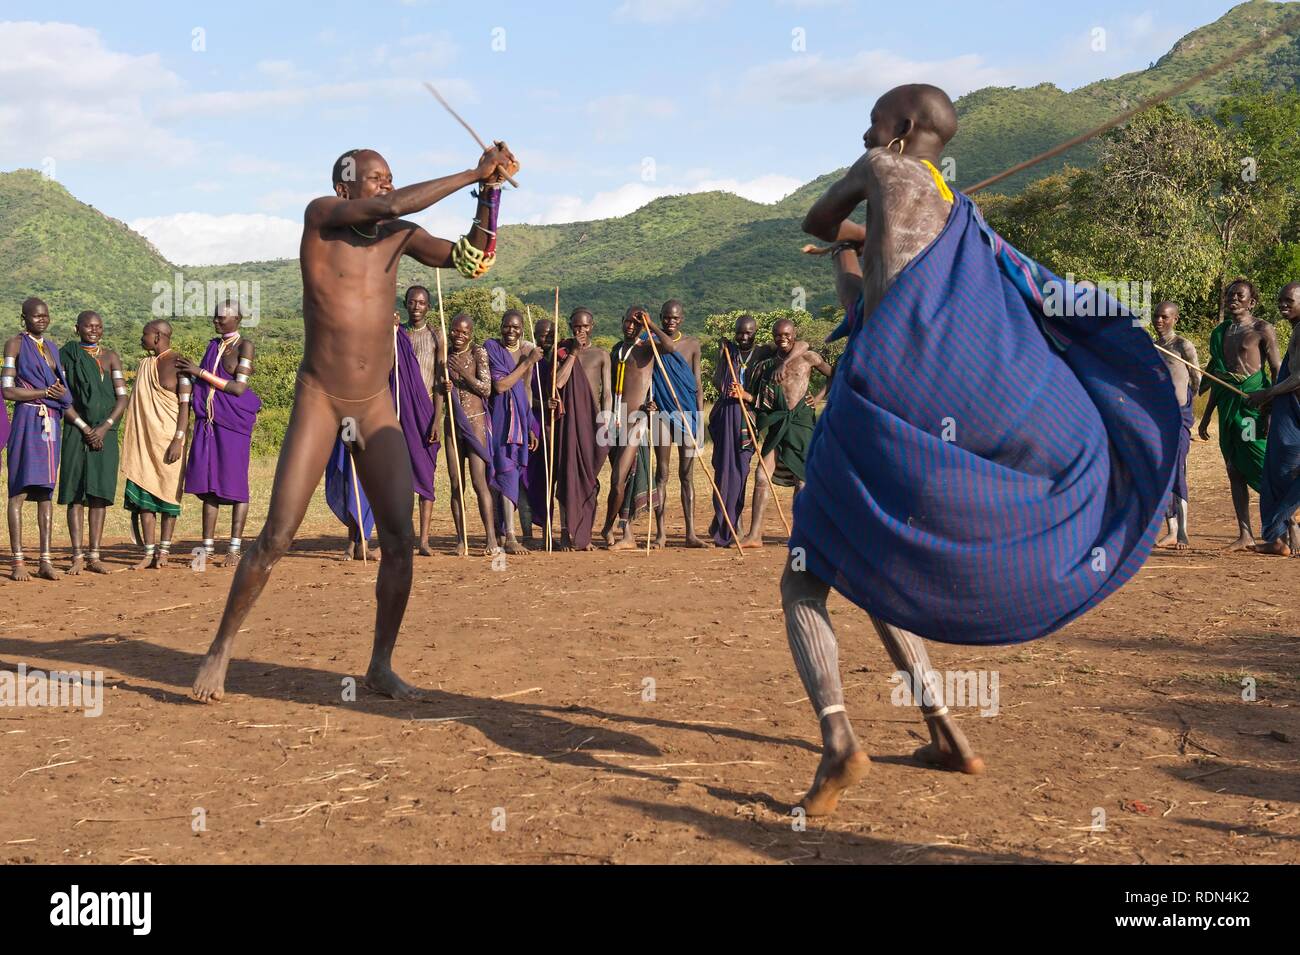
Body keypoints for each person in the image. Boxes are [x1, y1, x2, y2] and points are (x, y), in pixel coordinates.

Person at [781, 83, 1179, 815]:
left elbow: (816, 219)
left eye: (873, 122)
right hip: (946, 394)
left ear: (901, 128)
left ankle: (838, 741)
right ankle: (947, 731)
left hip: (891, 394)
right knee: (875, 555)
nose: (864, 133)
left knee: (803, 581)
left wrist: (845, 230)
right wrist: (854, 249)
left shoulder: (883, 167)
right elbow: (871, 296)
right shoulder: (960, 219)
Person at [191, 142, 518, 703]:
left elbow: (472, 260)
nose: (385, 185)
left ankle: (380, 665)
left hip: (373, 403)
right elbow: (386, 207)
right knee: (277, 535)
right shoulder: (322, 217)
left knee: (399, 538)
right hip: (320, 399)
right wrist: (471, 171)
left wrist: (489, 194)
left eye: (389, 176)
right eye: (375, 178)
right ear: (345, 188)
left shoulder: (399, 235)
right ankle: (220, 648)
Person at [1198, 279, 1281, 550]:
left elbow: (1276, 370)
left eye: (1239, 295)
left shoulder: (1262, 329)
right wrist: (1207, 416)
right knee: (1233, 468)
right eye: (1230, 295)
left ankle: (1287, 527)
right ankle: (1245, 534)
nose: (1233, 299)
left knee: (1259, 464)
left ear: (1251, 302)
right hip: (1228, 408)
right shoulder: (1220, 332)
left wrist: (1271, 408)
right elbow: (1218, 377)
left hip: (1252, 408)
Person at [177, 300, 261, 567]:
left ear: (237, 319)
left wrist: (199, 372)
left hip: (234, 423)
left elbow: (238, 388)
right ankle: (206, 548)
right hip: (209, 424)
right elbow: (201, 382)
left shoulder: (245, 346)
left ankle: (234, 549)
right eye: (214, 317)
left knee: (237, 486)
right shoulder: (213, 346)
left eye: (221, 318)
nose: (216, 321)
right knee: (209, 486)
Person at [737, 320, 828, 547]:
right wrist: (744, 395)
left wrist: (818, 398)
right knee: (761, 475)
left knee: (802, 480)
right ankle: (755, 535)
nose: (782, 338)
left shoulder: (808, 357)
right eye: (778, 335)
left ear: (794, 334)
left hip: (801, 422)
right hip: (778, 423)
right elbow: (761, 398)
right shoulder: (768, 362)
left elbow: (834, 374)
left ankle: (800, 534)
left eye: (787, 334)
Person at [3, 297, 74, 581]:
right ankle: (18, 561)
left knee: (46, 492)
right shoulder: (15, 345)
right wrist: (44, 393)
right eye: (36, 316)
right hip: (27, 420)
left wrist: (60, 397)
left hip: (51, 423)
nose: (42, 319)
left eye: (45, 315)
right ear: (24, 318)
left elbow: (62, 390)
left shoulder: (52, 348)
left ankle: (45, 561)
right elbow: (8, 390)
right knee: (19, 490)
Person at [58, 310, 128, 574]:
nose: (94, 330)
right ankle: (77, 555)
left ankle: (94, 555)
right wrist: (85, 427)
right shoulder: (66, 355)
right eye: (88, 326)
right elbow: (62, 397)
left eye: (98, 326)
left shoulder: (111, 357)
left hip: (105, 433)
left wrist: (104, 427)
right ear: (77, 329)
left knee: (99, 493)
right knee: (75, 493)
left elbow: (122, 398)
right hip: (76, 431)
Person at [120, 320, 191, 570]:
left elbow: (185, 405)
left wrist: (178, 439)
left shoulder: (180, 363)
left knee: (168, 496)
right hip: (144, 441)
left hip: (170, 440)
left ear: (158, 336)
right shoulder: (145, 365)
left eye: (145, 334)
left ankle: (164, 552)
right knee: (144, 496)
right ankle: (149, 553)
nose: (142, 338)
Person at [549, 308, 611, 550]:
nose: (580, 330)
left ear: (592, 326)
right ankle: (566, 531)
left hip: (593, 424)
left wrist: (606, 422)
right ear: (570, 326)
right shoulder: (562, 352)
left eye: (585, 326)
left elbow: (606, 393)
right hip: (568, 424)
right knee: (567, 477)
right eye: (576, 326)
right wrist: (573, 354)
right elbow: (558, 382)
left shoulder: (601, 355)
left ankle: (584, 535)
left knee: (589, 479)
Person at [440, 312, 499, 555]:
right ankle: (461, 539)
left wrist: (463, 374)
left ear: (471, 334)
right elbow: (438, 390)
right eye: (455, 330)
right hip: (452, 424)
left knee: (478, 482)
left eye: (464, 332)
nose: (459, 336)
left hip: (475, 424)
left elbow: (486, 389)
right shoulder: (444, 356)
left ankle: (491, 539)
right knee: (456, 483)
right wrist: (444, 386)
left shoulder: (478, 353)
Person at [1248, 282, 1300, 555]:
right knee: (1279, 472)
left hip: (1293, 415)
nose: (1283, 305)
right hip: (1288, 410)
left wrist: (1267, 393)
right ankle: (1282, 538)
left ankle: (1282, 533)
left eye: (1289, 300)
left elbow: (1298, 377)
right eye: (1280, 300)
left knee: (1281, 474)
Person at [650, 300, 707, 547]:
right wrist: (649, 401)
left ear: (681, 319)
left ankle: (691, 534)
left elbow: (698, 384)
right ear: (660, 317)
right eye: (666, 317)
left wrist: (699, 419)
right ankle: (661, 534)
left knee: (687, 475)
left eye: (675, 318)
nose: (670, 321)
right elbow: (645, 376)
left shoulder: (692, 344)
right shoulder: (652, 343)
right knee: (662, 474)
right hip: (662, 412)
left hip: (688, 414)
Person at [486, 308, 542, 554]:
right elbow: (500, 385)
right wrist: (528, 362)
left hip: (519, 422)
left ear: (522, 330)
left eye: (516, 327)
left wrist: (530, 425)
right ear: (501, 326)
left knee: (512, 472)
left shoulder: (526, 352)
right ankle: (505, 533)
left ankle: (506, 532)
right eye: (507, 326)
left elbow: (526, 390)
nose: (511, 330)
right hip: (498, 420)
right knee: (500, 472)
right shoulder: (492, 348)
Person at [399, 285, 444, 555]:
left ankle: (424, 540)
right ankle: (404, 537)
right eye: (412, 302)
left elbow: (440, 381)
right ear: (405, 303)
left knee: (426, 477)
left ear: (428, 306)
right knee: (402, 479)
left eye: (422, 302)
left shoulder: (436, 336)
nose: (416, 307)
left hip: (427, 412)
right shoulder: (397, 334)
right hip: (402, 414)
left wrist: (437, 419)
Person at [1152, 301, 1199, 550]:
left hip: (1179, 415)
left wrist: (1186, 406)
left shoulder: (1182, 345)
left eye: (1165, 317)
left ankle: (1182, 530)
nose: (1159, 321)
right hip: (1158, 417)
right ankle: (1170, 530)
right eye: (1156, 316)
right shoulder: (1152, 347)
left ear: (1175, 319)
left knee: (1178, 470)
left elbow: (1196, 379)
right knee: (1161, 471)